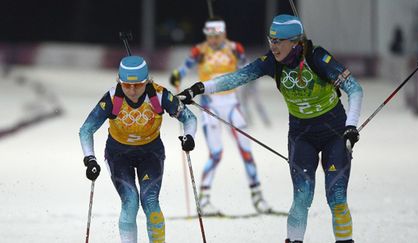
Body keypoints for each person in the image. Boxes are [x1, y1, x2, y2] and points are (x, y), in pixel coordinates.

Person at [177, 14, 363, 243]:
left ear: (295, 42)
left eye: (278, 41)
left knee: (336, 198)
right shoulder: (271, 62)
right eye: (271, 40)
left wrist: (351, 126)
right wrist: (198, 88)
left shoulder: (317, 57)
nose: (273, 46)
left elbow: (355, 89)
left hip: (334, 133)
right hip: (301, 135)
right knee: (302, 197)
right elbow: (237, 78)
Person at [79, 55, 197, 243]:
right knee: (131, 202)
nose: (132, 90)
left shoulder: (158, 95)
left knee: (150, 202)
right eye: (126, 85)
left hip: (150, 153)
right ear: (119, 81)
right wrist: (89, 159)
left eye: (138, 85)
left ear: (147, 81)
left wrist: (189, 137)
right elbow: (86, 130)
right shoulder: (112, 98)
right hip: (118, 155)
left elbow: (189, 119)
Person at [169, 17, 272, 215]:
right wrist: (177, 75)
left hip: (232, 104)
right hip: (210, 107)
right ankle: (205, 200)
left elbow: (249, 68)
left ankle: (258, 196)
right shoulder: (200, 50)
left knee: (246, 150)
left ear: (223, 34)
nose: (213, 40)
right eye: (209, 36)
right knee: (216, 154)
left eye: (216, 36)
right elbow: (183, 68)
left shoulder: (235, 48)